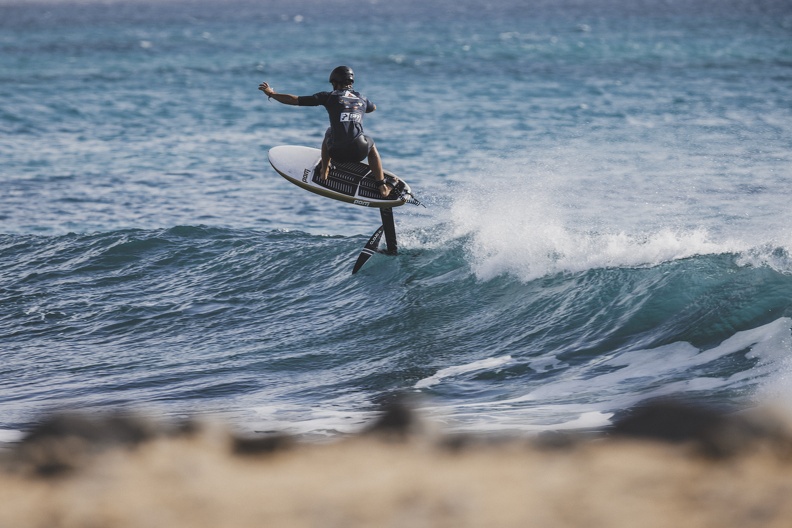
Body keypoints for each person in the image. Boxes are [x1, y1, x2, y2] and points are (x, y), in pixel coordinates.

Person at [259, 66, 394, 197]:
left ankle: (324, 169)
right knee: (371, 144)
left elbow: (295, 100)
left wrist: (272, 93)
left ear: (334, 83)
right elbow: (373, 108)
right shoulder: (362, 98)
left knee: (329, 131)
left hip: (337, 153)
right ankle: (382, 185)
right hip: (359, 153)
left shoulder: (329, 96)